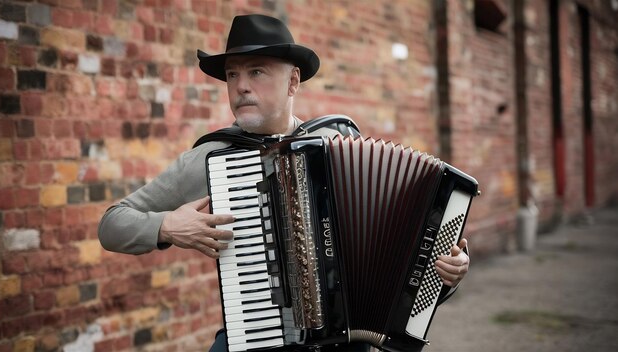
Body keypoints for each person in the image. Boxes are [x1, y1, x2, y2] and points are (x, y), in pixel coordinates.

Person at [98, 14, 470, 351]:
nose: (241, 86)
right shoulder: (211, 157)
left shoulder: (338, 144)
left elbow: (401, 260)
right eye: (232, 75)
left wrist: (447, 274)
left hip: (349, 341)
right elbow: (112, 224)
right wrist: (167, 226)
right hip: (259, 337)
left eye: (256, 72)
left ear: (293, 81)